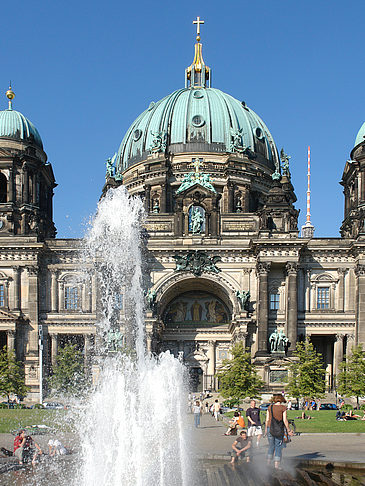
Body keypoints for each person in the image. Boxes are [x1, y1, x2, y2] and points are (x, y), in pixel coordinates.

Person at [265, 394, 293, 469]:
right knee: (278, 446)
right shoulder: (283, 408)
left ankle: (268, 463)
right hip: (278, 429)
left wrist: (265, 430)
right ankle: (276, 465)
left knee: (271, 446)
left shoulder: (269, 407)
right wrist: (288, 430)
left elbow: (267, 419)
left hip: (269, 428)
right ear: (281, 399)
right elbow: (285, 420)